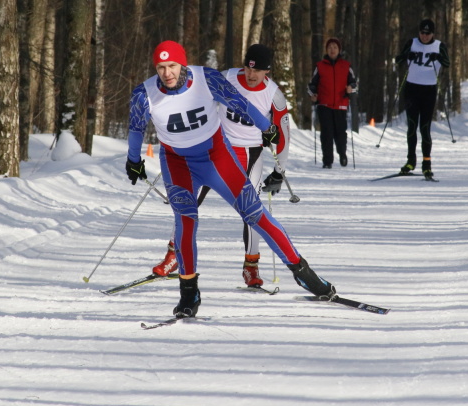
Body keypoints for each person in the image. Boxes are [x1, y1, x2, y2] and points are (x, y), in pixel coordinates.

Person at [126, 40, 334, 317]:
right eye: (161, 67)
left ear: (183, 64)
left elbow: (240, 103)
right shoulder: (145, 94)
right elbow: (136, 128)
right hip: (177, 163)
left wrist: (267, 127)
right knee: (186, 222)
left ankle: (303, 272)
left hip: (217, 157)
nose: (167, 73)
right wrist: (133, 160)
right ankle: (189, 294)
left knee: (254, 213)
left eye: (173, 66)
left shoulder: (206, 79)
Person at [149, 43, 291, 289]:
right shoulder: (226, 77)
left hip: (251, 154)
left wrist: (280, 171)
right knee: (186, 201)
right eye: (248, 67)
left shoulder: (274, 94)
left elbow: (283, 133)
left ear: (267, 72)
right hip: (215, 150)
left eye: (257, 71)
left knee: (252, 209)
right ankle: (174, 255)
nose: (250, 74)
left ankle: (251, 266)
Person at [395, 19, 450, 179]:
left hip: (429, 90)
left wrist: (438, 57)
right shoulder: (411, 43)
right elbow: (398, 60)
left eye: (428, 33)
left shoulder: (439, 45)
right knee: (412, 126)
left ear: (433, 34)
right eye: (422, 33)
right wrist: (407, 55)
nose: (424, 36)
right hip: (412, 89)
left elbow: (447, 63)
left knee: (425, 129)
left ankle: (427, 165)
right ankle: (410, 161)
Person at [307, 37, 357, 169]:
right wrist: (313, 94)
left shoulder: (346, 65)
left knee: (340, 133)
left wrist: (350, 88)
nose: (332, 50)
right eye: (330, 47)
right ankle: (327, 161)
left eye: (335, 47)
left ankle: (342, 154)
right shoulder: (320, 66)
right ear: (327, 50)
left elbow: (354, 83)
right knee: (326, 134)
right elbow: (312, 85)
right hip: (324, 104)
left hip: (341, 104)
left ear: (339, 50)